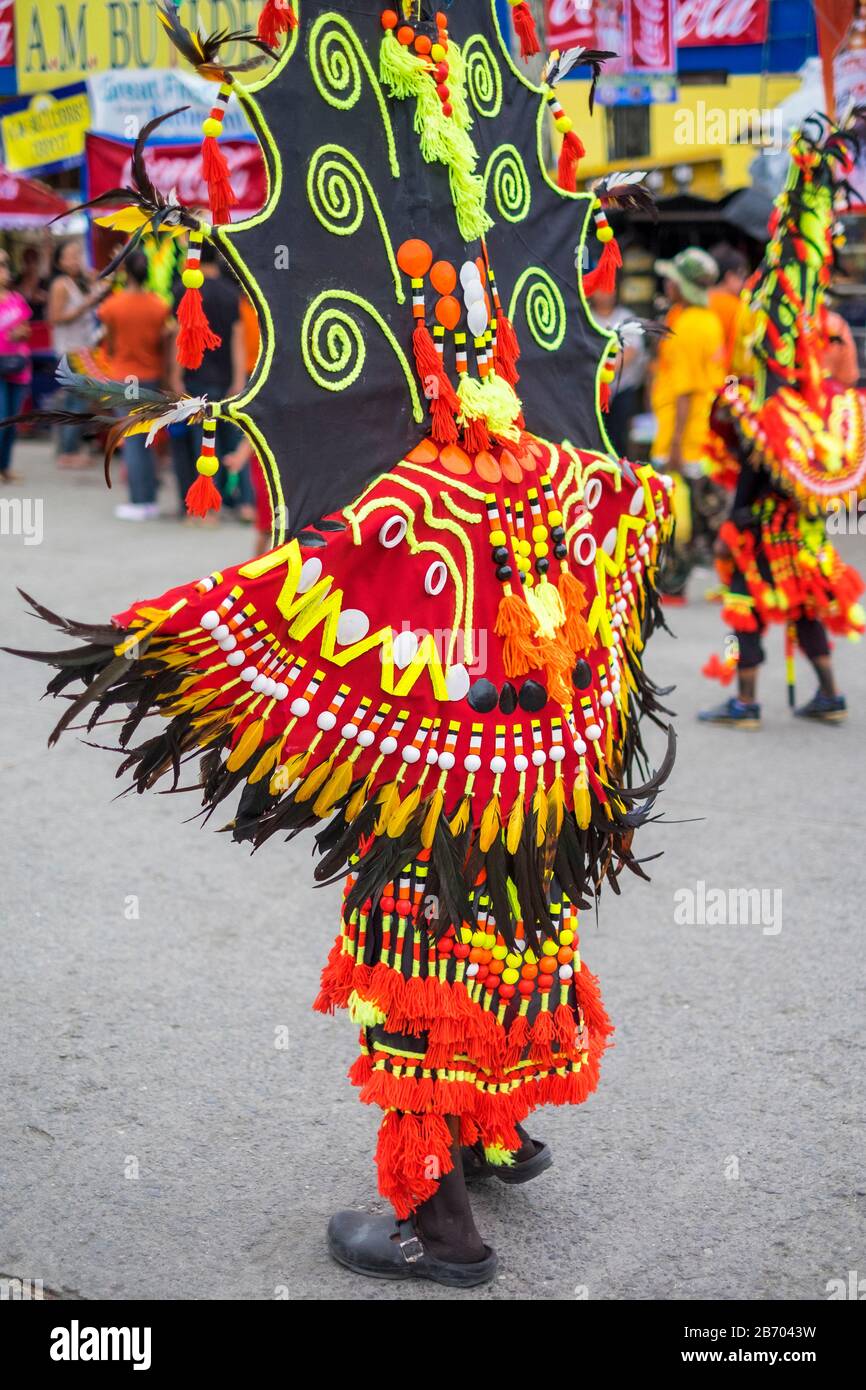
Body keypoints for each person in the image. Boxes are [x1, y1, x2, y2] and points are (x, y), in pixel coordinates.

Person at [10, 1, 677, 1288]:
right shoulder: (552, 470)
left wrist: (146, 641)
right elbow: (641, 516)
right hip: (546, 776)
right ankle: (500, 1127)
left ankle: (438, 1224)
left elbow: (282, 604)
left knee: (417, 944)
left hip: (441, 784)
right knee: (522, 922)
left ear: (399, 338)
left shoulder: (405, 498)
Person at [700, 118, 866, 729]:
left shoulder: (766, 395)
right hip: (805, 513)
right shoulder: (799, 373)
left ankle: (743, 700)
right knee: (805, 602)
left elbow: (754, 456)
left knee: (743, 602)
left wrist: (741, 509)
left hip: (764, 509)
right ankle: (829, 692)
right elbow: (800, 252)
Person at [651, 248, 725, 584]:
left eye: (673, 280)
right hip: (699, 433)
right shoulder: (702, 319)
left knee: (676, 513)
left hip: (682, 436)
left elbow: (684, 391)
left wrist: (676, 444)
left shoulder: (689, 327)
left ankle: (676, 578)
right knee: (692, 509)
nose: (667, 285)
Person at [169, 241, 250, 519]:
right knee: (229, 442)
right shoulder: (231, 293)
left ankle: (204, 509)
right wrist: (239, 378)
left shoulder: (185, 290)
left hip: (195, 376)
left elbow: (179, 337)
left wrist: (175, 375)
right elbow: (238, 340)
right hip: (226, 378)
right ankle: (242, 504)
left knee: (200, 444)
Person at [98, 250, 172, 520]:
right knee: (146, 439)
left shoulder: (112, 306)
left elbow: (111, 343)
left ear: (125, 271)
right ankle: (148, 496)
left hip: (123, 376)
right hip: (150, 375)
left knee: (131, 439)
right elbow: (162, 344)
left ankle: (139, 501)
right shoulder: (159, 305)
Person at [47, 239, 109, 469]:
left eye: (78, 255)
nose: (76, 260)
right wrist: (86, 304)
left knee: (79, 401)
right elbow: (54, 318)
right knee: (76, 402)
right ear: (60, 262)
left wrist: (95, 287)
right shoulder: (60, 285)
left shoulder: (78, 282)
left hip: (84, 349)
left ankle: (68, 448)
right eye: (70, 256)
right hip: (69, 350)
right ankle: (68, 452)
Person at [589, 287, 647, 458]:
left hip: (622, 389)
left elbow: (632, 351)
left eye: (609, 290)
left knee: (619, 434)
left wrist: (606, 368)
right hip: (594, 390)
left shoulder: (626, 317)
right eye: (601, 290)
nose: (605, 294)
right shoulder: (588, 317)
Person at [0, 248, 33, 484]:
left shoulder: (16, 299)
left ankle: (5, 467)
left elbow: (27, 328)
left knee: (12, 421)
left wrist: (22, 332)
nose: (3, 270)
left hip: (18, 366)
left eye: (4, 264)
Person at [708, 244, 752, 375]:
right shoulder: (736, 308)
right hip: (723, 383)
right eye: (742, 276)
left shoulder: (692, 304)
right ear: (729, 277)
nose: (744, 282)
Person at [14, 244, 50, 322]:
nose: (30, 264)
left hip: (39, 321)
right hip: (20, 323)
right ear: (23, 261)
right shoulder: (17, 280)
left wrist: (44, 298)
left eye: (33, 260)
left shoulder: (43, 282)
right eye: (27, 260)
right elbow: (11, 297)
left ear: (37, 262)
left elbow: (50, 300)